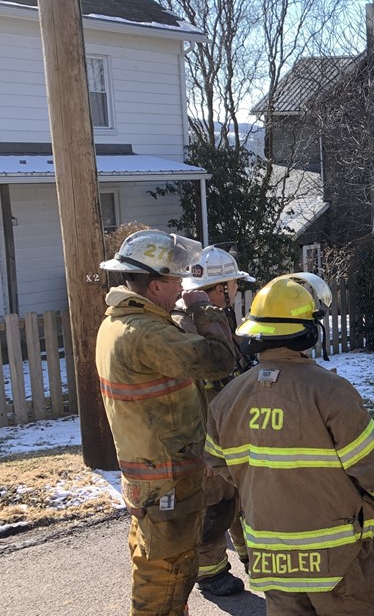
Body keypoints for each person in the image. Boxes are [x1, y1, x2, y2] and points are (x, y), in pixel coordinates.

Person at [205, 273, 374, 616]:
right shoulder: (331, 392)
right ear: (309, 332)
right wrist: (371, 515)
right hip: (337, 559)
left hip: (272, 563)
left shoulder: (226, 399)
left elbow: (221, 466)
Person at [96, 230, 238, 616]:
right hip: (166, 479)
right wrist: (202, 309)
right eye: (176, 281)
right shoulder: (147, 335)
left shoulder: (120, 323)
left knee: (157, 565)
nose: (182, 288)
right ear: (156, 285)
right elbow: (220, 358)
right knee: (166, 575)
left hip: (150, 473)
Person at [172, 245, 256, 597]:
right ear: (221, 287)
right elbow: (204, 379)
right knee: (216, 504)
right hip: (206, 431)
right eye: (235, 283)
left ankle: (255, 558)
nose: (238, 289)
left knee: (239, 498)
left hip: (226, 426)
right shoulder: (190, 321)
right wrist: (204, 449)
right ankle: (211, 572)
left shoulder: (213, 315)